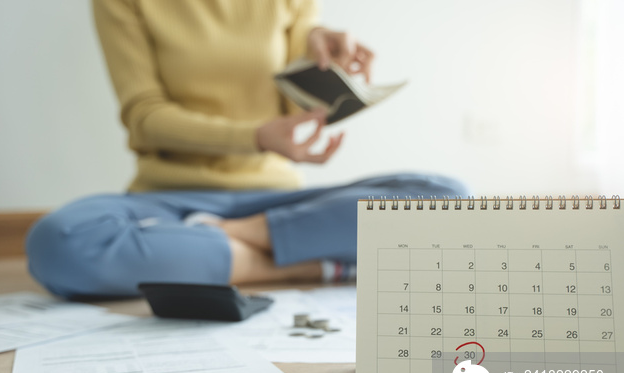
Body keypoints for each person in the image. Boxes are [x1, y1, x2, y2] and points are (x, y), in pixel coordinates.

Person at [26, 0, 468, 299]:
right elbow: (145, 115)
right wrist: (253, 136)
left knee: (446, 196)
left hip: (274, 196)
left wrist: (321, 55)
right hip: (168, 200)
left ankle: (232, 241)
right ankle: (310, 264)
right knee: (58, 243)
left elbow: (297, 98)